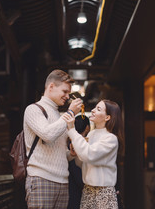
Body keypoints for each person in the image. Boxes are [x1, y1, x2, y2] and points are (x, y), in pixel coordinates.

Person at [24, 69, 83, 209]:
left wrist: (71, 154)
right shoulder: (33, 109)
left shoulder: (58, 115)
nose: (68, 96)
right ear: (51, 87)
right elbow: (48, 135)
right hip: (41, 179)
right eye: (65, 91)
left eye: (68, 93)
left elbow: (60, 153)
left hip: (62, 181)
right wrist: (70, 113)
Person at [62, 99, 125, 209]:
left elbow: (89, 155)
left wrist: (72, 130)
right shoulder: (91, 134)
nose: (93, 110)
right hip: (87, 190)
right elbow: (83, 162)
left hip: (104, 191)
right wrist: (75, 154)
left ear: (107, 117)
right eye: (95, 107)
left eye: (98, 109)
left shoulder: (110, 138)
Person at [67, 115, 90, 209]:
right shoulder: (85, 145)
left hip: (68, 188)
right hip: (81, 188)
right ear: (87, 128)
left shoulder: (68, 143)